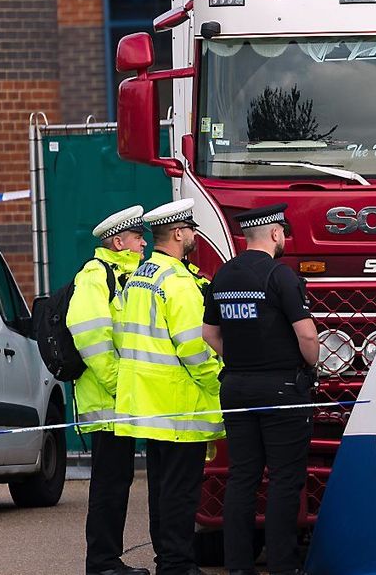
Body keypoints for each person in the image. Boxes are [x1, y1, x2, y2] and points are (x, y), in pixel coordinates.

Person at [202, 204, 318, 575]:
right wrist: (310, 364)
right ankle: (283, 564)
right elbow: (306, 334)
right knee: (284, 478)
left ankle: (238, 566)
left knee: (242, 477)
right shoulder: (280, 276)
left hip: (235, 385)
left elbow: (209, 333)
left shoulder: (222, 276)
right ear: (273, 234)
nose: (284, 236)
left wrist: (239, 357)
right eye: (282, 231)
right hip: (282, 387)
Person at [113, 199, 224, 575]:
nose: (194, 235)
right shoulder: (177, 281)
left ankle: (168, 559)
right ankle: (176, 564)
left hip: (148, 403)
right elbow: (194, 348)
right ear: (179, 233)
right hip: (179, 405)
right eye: (191, 229)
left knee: (161, 491)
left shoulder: (140, 276)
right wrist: (218, 381)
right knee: (179, 492)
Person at [68, 205, 150, 575]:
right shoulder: (95, 275)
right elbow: (90, 335)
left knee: (117, 482)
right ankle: (102, 563)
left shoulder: (127, 275)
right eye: (138, 238)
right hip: (108, 400)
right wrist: (119, 384)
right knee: (109, 484)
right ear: (120, 241)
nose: (144, 243)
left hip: (122, 398)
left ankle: (108, 560)